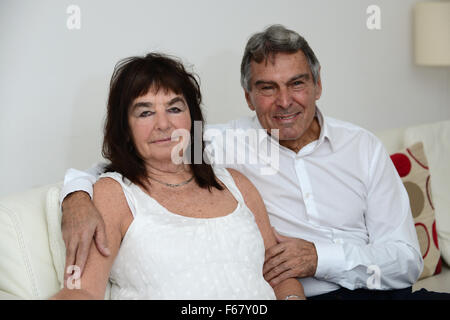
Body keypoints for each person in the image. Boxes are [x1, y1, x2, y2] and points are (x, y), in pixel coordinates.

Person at [60, 25, 449, 299]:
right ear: (248, 96)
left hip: (385, 291)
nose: (284, 101)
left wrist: (319, 258)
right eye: (267, 88)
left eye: (297, 83)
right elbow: (135, 160)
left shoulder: (362, 147)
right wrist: (76, 198)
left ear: (317, 84)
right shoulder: (226, 145)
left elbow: (406, 260)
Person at [51, 52, 305, 299]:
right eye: (145, 112)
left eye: (174, 108)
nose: (163, 124)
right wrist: (74, 196)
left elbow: (280, 275)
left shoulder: (236, 183)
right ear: (125, 129)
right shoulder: (114, 193)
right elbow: (82, 290)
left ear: (192, 118)